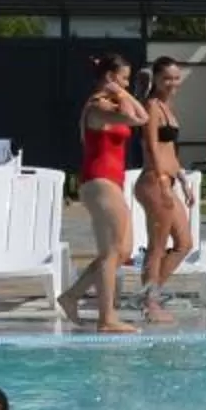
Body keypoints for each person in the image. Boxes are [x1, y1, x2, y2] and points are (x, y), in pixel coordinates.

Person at [57, 52, 147, 334]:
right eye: (124, 79)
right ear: (109, 77)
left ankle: (72, 296)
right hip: (100, 180)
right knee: (111, 251)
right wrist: (120, 92)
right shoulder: (97, 107)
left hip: (110, 181)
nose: (127, 85)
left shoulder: (111, 103)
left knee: (123, 250)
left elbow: (141, 116)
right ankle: (106, 318)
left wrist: (120, 91)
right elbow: (136, 118)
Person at [134, 58, 197, 319]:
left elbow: (169, 150)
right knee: (157, 247)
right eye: (167, 78)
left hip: (167, 180)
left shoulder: (166, 107)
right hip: (154, 181)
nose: (172, 83)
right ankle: (150, 305)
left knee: (184, 243)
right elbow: (151, 147)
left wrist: (181, 179)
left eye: (176, 78)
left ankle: (150, 295)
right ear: (156, 79)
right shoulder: (151, 106)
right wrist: (162, 181)